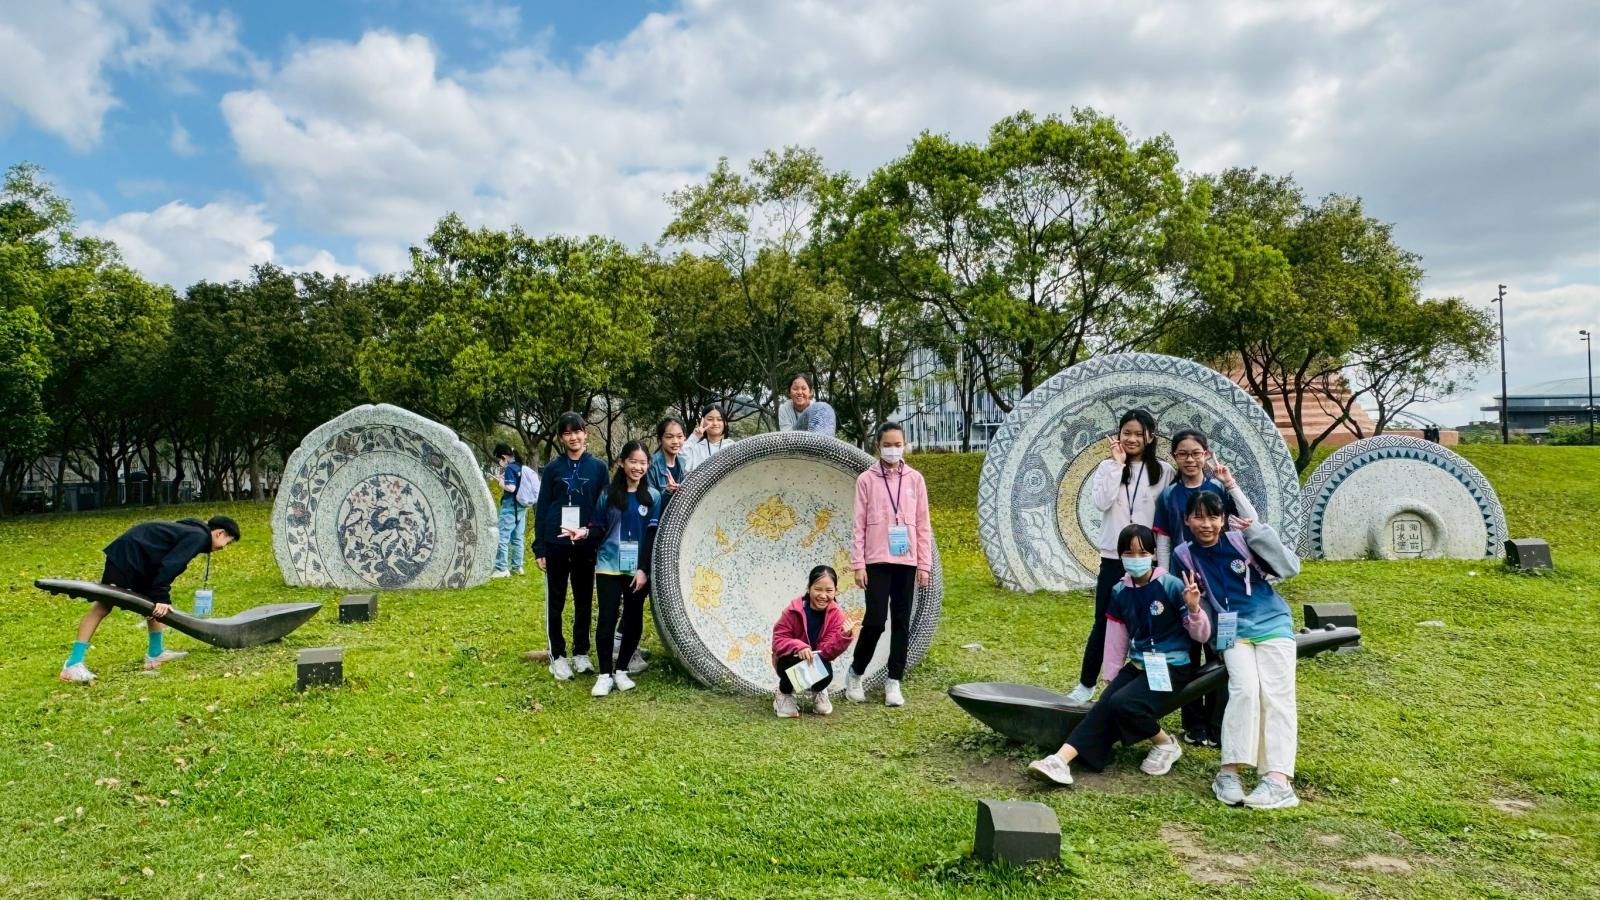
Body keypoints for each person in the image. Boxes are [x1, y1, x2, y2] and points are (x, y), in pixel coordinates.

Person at [1027, 524, 1211, 785]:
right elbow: (1116, 638)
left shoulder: (1171, 585)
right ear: (1120, 555)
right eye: (1129, 553)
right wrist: (1112, 677)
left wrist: (1194, 609)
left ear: (1153, 554)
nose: (1136, 559)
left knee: (1123, 704)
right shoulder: (1119, 591)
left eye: (1142, 553)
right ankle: (1059, 761)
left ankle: (1165, 743)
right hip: (1138, 664)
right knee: (1105, 704)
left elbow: (1201, 635)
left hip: (1171, 666)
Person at [1169, 491, 1304, 810]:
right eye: (1198, 517)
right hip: (1233, 631)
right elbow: (1199, 625)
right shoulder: (1183, 555)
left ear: (1223, 520)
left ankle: (1278, 781)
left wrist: (1254, 529)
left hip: (1272, 622)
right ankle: (1228, 773)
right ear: (1187, 520)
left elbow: (1290, 567)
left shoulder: (1241, 539)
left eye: (1213, 516)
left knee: (1277, 696)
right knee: (1243, 690)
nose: (1206, 524)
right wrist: (1193, 609)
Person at [1152, 428, 1258, 747]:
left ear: (1206, 454)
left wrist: (1230, 483)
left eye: (1196, 453)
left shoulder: (1218, 489)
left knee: (1221, 652)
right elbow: (1164, 540)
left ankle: (1217, 721)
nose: (1190, 459)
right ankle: (1193, 723)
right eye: (1183, 454)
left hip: (1220, 583)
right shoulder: (1169, 495)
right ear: (1174, 457)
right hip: (1184, 584)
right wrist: (1165, 579)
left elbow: (1249, 520)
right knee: (1187, 653)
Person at [1069, 409, 1176, 704]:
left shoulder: (1164, 471)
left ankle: (1153, 687)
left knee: (1152, 621)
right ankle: (1086, 685)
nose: (1131, 439)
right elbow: (1101, 502)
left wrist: (1163, 565)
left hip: (1149, 560)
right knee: (1104, 622)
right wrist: (1117, 465)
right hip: (1114, 558)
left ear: (1150, 437)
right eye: (1126, 432)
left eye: (1138, 434)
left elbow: (1165, 521)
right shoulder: (1107, 467)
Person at [60, 515, 241, 682]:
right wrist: (161, 596)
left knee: (151, 604)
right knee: (104, 605)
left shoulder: (194, 532)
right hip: (128, 555)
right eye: (229, 541)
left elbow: (167, 559)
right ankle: (72, 664)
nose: (224, 547)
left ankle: (155, 653)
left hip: (143, 559)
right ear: (220, 533)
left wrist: (158, 596)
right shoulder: (198, 536)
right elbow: (173, 564)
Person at [846, 422, 933, 708]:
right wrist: (858, 564)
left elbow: (923, 525)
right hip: (876, 559)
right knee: (875, 621)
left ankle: (894, 681)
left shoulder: (915, 479)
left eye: (897, 445)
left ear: (904, 445)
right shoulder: (866, 480)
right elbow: (858, 524)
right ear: (877, 446)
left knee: (901, 622)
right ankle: (855, 673)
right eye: (887, 445)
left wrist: (924, 564)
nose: (893, 450)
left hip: (906, 560)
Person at [533, 412, 611, 681]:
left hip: (585, 543)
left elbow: (604, 507)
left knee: (583, 599)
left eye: (577, 431)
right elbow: (543, 507)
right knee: (556, 600)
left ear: (585, 433)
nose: (573, 437)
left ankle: (581, 652)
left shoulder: (598, 468)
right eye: (567, 433)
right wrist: (539, 547)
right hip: (555, 542)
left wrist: (598, 538)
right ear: (561, 438)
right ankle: (557, 656)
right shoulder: (553, 468)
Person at [591, 441, 662, 697]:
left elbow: (652, 535)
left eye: (643, 463)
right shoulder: (607, 495)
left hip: (637, 569)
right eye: (633, 461)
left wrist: (643, 569)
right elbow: (598, 528)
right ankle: (604, 675)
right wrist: (584, 533)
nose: (638, 467)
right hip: (608, 565)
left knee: (633, 618)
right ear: (622, 462)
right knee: (607, 618)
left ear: (648, 465)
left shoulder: (653, 497)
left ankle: (621, 670)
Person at [770, 565, 857, 717]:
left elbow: (827, 653)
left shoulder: (837, 615)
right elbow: (778, 641)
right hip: (789, 661)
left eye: (829, 590)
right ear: (809, 589)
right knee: (793, 664)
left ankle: (819, 691)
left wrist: (843, 636)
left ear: (835, 591)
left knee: (826, 672)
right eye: (818, 589)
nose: (823, 595)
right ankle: (784, 693)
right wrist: (799, 647)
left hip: (816, 663)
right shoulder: (793, 610)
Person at [492, 443, 531, 578]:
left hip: (510, 507)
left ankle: (502, 568)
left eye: (499, 459)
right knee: (518, 538)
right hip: (521, 507)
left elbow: (511, 488)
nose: (500, 462)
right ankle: (517, 566)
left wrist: (500, 482)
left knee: (502, 537)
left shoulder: (510, 468)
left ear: (504, 457)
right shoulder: (520, 466)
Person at [681, 405, 738, 472]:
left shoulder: (732, 447)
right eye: (710, 419)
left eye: (719, 419)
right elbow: (680, 458)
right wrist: (695, 437)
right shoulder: (695, 449)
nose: (715, 423)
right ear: (702, 421)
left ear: (725, 423)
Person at [648, 416, 689, 506]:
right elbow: (649, 502)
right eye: (669, 437)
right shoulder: (651, 465)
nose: (675, 441)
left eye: (679, 436)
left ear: (684, 438)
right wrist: (667, 492)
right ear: (660, 440)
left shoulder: (682, 462)